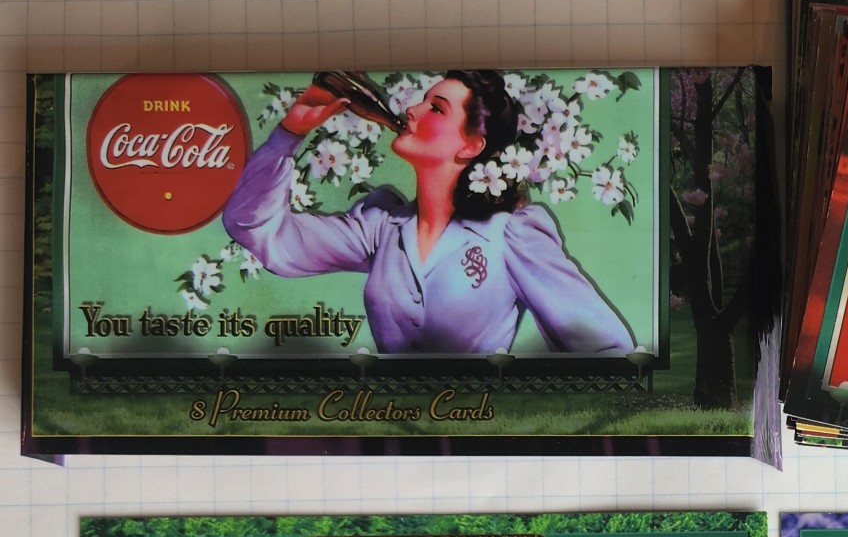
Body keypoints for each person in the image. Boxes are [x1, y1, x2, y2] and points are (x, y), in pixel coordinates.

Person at [223, 70, 634, 356]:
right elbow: (257, 230)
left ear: (472, 145)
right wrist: (288, 134)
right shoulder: (380, 227)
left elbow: (606, 348)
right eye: (421, 102)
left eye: (435, 108)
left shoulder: (511, 234)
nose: (412, 111)